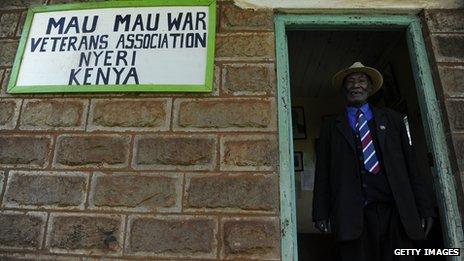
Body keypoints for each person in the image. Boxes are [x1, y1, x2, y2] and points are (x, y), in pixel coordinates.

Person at [312, 62, 435, 261]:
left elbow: (411, 166)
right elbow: (323, 173)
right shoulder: (331, 127)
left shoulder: (393, 119)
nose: (356, 86)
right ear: (344, 89)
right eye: (350, 82)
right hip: (351, 214)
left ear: (370, 88)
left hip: (397, 213)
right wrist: (320, 212)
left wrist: (425, 207)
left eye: (361, 81)